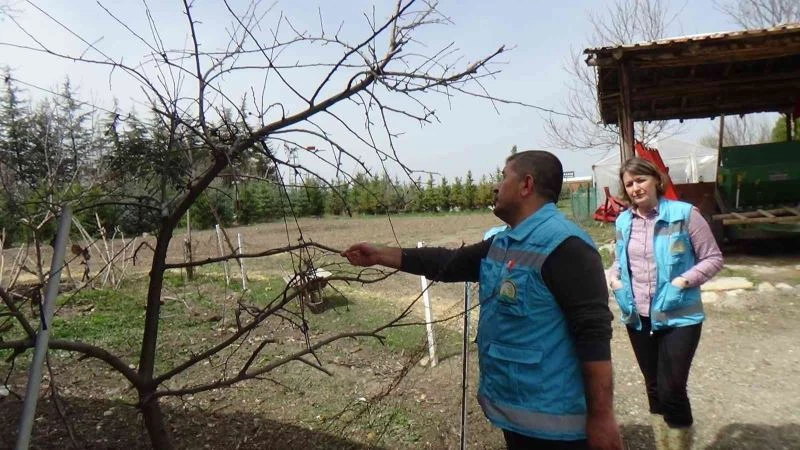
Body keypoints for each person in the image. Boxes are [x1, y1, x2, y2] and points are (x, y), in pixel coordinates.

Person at [342, 151, 623, 450]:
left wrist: (602, 418)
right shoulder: (505, 242)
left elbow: (593, 337)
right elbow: (449, 263)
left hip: (559, 432)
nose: (496, 187)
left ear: (526, 185)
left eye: (503, 177)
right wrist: (380, 255)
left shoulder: (567, 246)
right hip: (518, 420)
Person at [608, 158, 723, 450]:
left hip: (679, 317)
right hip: (638, 317)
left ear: (656, 180)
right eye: (629, 183)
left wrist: (681, 281)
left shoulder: (685, 215)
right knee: (654, 387)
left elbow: (713, 258)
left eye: (640, 180)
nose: (635, 188)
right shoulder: (623, 221)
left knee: (672, 389)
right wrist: (615, 280)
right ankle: (664, 445)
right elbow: (619, 262)